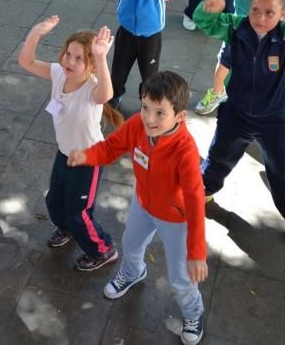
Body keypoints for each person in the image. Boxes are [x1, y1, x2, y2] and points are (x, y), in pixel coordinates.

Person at [68, 71, 207, 345]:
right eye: (145, 107)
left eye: (159, 113)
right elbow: (111, 147)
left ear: (179, 116)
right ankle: (133, 272)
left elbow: (194, 199)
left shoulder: (185, 150)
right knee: (131, 244)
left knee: (181, 278)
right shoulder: (136, 125)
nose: (149, 119)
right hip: (143, 203)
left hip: (176, 219)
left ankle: (193, 312)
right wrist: (88, 155)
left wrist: (197, 251)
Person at [18, 16, 122, 271]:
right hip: (65, 153)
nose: (70, 61)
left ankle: (103, 249)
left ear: (91, 67)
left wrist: (100, 57)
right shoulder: (57, 73)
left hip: (89, 159)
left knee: (80, 211)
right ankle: (67, 229)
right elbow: (26, 61)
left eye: (79, 59)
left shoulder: (92, 88)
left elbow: (107, 95)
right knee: (54, 200)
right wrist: (35, 31)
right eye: (68, 54)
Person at [193, 0, 285, 232]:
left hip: (275, 120)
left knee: (282, 172)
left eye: (270, 13)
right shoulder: (237, 28)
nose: (260, 18)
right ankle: (201, 192)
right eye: (256, 10)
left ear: (283, 14)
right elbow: (207, 23)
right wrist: (207, 8)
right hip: (236, 113)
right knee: (218, 158)